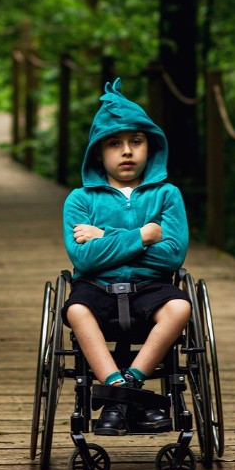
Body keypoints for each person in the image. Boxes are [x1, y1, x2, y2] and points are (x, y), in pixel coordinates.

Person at [62, 78, 191, 435]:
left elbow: (171, 256)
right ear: (98, 153)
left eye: (136, 141)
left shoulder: (167, 195)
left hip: (152, 288)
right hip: (97, 287)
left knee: (180, 307)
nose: (127, 151)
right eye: (114, 144)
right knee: (76, 309)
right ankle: (116, 386)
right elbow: (84, 260)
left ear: (150, 147)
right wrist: (145, 235)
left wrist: (106, 236)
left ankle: (128, 386)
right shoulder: (80, 200)